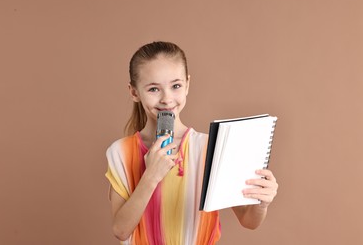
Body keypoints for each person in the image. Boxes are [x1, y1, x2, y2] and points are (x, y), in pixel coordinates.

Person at [105, 41, 278, 244]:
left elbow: (248, 221)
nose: (167, 99)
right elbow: (120, 230)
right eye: (153, 89)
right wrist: (150, 176)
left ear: (187, 84)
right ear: (134, 92)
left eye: (175, 86)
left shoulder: (209, 148)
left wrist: (261, 203)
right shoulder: (120, 152)